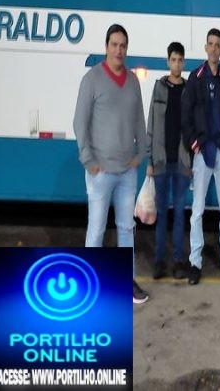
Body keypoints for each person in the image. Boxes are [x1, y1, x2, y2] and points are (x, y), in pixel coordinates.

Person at [73, 24, 148, 304]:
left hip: (127, 172)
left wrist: (140, 154)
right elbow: (79, 122)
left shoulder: (132, 81)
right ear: (106, 47)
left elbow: (139, 121)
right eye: (114, 44)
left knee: (127, 228)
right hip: (100, 173)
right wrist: (88, 160)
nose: (119, 50)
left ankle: (127, 282)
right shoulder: (92, 79)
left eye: (123, 45)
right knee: (96, 230)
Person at [182, 28, 220, 285]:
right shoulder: (195, 78)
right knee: (197, 210)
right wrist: (194, 142)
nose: (214, 48)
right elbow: (186, 114)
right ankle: (195, 262)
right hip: (202, 151)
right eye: (211, 44)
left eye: (218, 45)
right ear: (205, 48)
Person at [146, 41, 191, 281]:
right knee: (162, 214)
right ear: (168, 61)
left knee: (180, 214)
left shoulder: (189, 89)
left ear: (183, 62)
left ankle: (178, 261)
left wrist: (191, 160)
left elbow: (192, 126)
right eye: (173, 59)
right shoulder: (159, 87)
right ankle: (159, 262)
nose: (176, 63)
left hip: (182, 162)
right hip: (161, 162)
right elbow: (151, 125)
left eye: (180, 60)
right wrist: (150, 160)